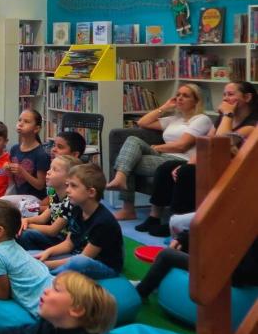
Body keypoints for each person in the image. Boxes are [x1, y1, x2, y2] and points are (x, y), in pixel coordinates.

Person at [106, 83, 212, 230]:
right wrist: (165, 107)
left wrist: (157, 147)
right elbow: (142, 122)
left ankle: (127, 207)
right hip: (162, 156)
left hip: (180, 161)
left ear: (196, 101)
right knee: (132, 140)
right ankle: (121, 180)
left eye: (185, 96)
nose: (180, 98)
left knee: (126, 160)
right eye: (178, 95)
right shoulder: (174, 119)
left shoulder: (201, 119)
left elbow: (182, 145)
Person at [150, 81, 258, 223]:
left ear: (247, 97)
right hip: (216, 164)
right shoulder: (224, 119)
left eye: (230, 94)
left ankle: (180, 223)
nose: (225, 99)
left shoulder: (252, 124)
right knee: (167, 167)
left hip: (235, 171)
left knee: (186, 173)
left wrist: (227, 114)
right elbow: (205, 144)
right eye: (224, 94)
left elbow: (221, 142)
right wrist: (188, 163)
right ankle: (154, 218)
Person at [41, 164, 124, 280]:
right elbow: (68, 244)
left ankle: (47, 277)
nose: (67, 190)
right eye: (68, 185)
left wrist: (46, 265)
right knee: (33, 255)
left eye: (73, 186)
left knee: (78, 262)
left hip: (103, 266)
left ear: (91, 192)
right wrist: (48, 252)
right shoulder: (77, 208)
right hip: (77, 256)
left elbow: (84, 258)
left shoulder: (104, 222)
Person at [18, 155, 83, 251]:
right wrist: (25, 220)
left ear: (68, 179)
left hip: (64, 241)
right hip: (55, 237)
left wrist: (27, 225)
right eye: (50, 168)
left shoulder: (70, 201)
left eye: (54, 170)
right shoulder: (54, 194)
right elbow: (42, 218)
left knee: (25, 234)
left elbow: (53, 230)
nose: (48, 172)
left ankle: (37, 258)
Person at [1, 110, 50, 215]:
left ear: (36, 129)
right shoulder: (14, 149)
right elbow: (13, 179)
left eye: (26, 121)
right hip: (19, 196)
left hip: (35, 199)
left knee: (1, 204)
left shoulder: (41, 154)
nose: (21, 123)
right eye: (20, 120)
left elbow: (40, 185)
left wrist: (22, 172)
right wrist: (8, 169)